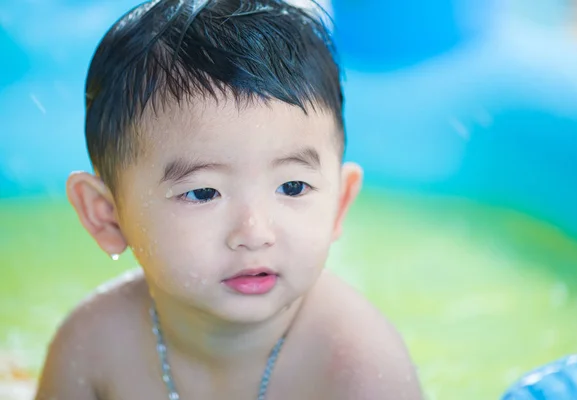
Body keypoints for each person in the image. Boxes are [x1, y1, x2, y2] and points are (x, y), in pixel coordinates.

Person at [34, 1, 422, 399]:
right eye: (203, 192)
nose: (254, 233)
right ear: (108, 216)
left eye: (292, 187)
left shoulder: (360, 367)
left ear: (339, 203)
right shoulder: (93, 346)